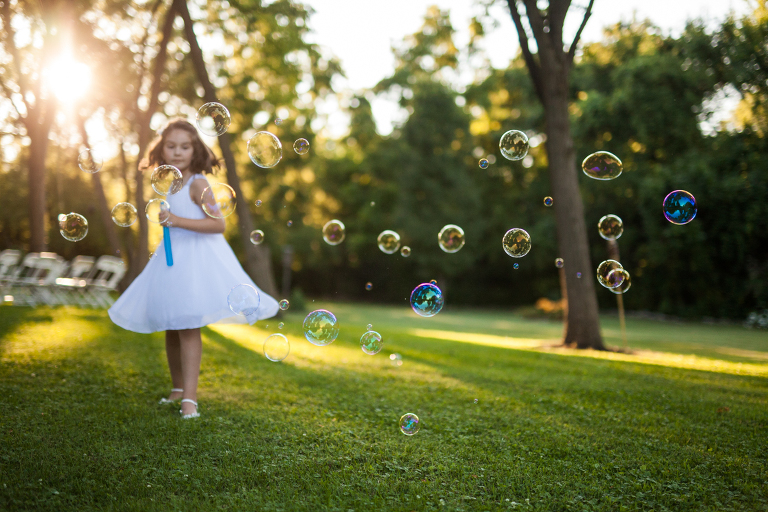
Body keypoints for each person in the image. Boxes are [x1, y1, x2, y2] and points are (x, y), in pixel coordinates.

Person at [108, 119, 278, 419]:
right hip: (172, 262)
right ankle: (176, 389)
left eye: (184, 147)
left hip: (197, 263)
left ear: (195, 149)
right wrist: (166, 219)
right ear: (162, 149)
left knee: (187, 327)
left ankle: (190, 399)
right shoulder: (168, 182)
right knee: (172, 325)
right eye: (171, 146)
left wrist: (176, 221)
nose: (177, 152)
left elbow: (218, 224)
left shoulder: (197, 183)